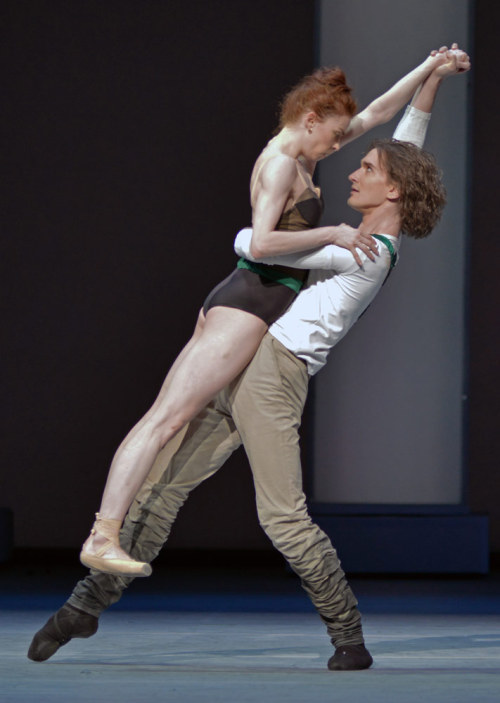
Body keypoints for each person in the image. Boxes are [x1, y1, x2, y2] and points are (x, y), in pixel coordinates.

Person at [28, 47, 470, 670]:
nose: (351, 172)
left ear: (390, 190)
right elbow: (405, 138)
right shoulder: (373, 214)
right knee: (163, 488)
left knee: (283, 517)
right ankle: (84, 607)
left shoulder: (365, 251)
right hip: (250, 354)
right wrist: (432, 77)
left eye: (365, 169)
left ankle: (349, 636)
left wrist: (249, 237)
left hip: (275, 379)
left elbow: (261, 247)